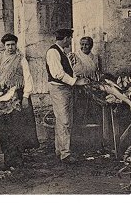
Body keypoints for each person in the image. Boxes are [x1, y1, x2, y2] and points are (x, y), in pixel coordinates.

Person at [0, 33, 39, 166]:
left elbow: (28, 78)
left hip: (18, 94)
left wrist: (26, 96)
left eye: (13, 44)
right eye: (8, 45)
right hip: (4, 94)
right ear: (4, 46)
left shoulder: (21, 59)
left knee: (19, 126)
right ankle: (7, 154)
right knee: (5, 125)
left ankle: (18, 156)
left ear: (16, 45)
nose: (11, 47)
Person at [46, 29, 89, 164]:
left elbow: (68, 71)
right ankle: (65, 154)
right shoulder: (53, 52)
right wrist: (75, 82)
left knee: (63, 120)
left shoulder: (62, 51)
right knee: (64, 120)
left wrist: (76, 78)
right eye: (70, 38)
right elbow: (57, 73)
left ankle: (60, 150)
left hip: (65, 88)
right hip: (59, 89)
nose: (70, 41)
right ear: (65, 38)